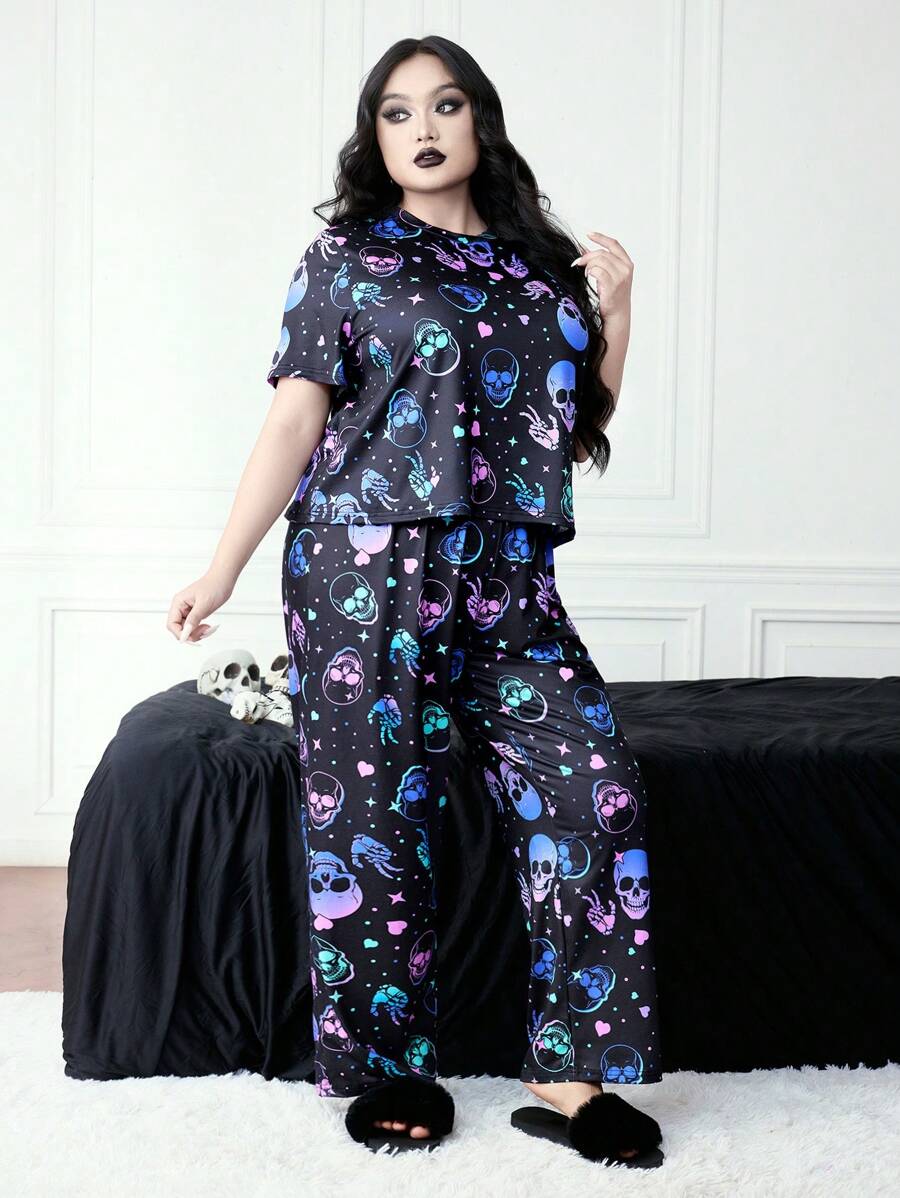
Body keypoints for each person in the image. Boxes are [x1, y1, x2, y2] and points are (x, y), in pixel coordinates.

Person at [167, 35, 664, 1168]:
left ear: (480, 119)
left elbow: (574, 423)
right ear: (376, 137)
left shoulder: (540, 271)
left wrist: (618, 313)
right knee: (371, 817)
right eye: (397, 113)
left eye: (445, 106)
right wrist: (223, 566)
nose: (424, 129)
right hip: (361, 571)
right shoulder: (345, 259)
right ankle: (389, 1065)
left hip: (510, 578)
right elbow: (296, 418)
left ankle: (571, 1069)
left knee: (596, 791)